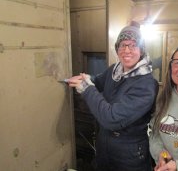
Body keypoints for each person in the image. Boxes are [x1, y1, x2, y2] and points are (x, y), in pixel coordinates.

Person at [67, 21, 159, 171]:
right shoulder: (114, 70)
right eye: (122, 45)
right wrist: (86, 78)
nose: (127, 50)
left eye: (133, 45)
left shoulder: (146, 85)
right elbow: (98, 81)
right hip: (105, 148)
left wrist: (86, 88)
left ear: (141, 50)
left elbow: (112, 119)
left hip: (130, 155)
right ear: (117, 49)